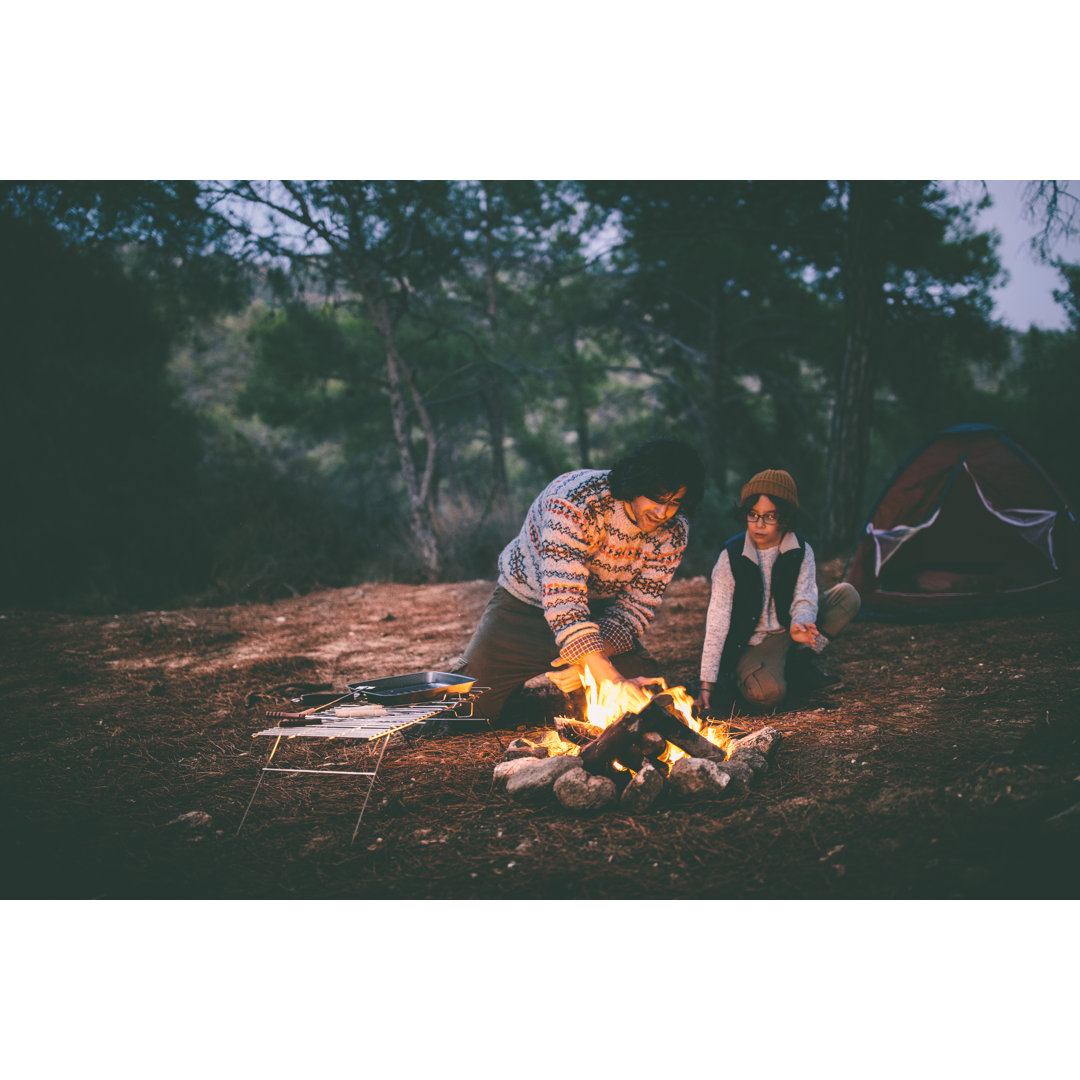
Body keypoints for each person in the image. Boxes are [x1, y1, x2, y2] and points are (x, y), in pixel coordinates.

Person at [454, 438, 706, 725]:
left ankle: (580, 687)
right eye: (657, 499)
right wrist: (604, 673)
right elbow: (564, 602)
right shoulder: (575, 501)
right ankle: (510, 692)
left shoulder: (673, 532)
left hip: (596, 614)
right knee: (466, 709)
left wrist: (591, 660)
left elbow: (635, 609)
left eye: (674, 503)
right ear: (635, 484)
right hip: (523, 607)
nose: (663, 513)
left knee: (643, 691)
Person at [695, 468, 860, 715]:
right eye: (753, 515)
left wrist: (801, 622)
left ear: (785, 518)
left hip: (791, 630)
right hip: (755, 641)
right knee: (766, 695)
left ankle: (799, 661)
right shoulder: (731, 557)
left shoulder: (800, 549)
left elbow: (806, 596)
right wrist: (707, 684)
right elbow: (717, 620)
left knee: (847, 596)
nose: (759, 524)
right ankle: (783, 672)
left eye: (770, 516)